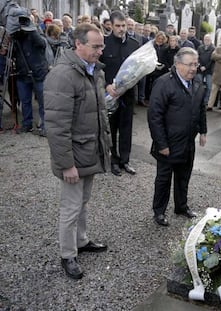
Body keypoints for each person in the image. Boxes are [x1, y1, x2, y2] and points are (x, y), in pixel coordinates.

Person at [44, 23, 111, 280]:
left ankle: (81, 241)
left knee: (83, 202)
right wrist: (66, 164)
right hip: (74, 156)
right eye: (95, 46)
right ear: (78, 44)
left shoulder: (93, 71)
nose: (100, 51)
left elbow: (94, 112)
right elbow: (57, 126)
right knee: (71, 208)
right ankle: (67, 254)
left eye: (102, 46)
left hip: (90, 151)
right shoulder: (63, 75)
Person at [148, 47, 207, 227]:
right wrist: (161, 144)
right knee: (164, 179)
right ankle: (159, 211)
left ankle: (181, 206)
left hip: (188, 141)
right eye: (190, 65)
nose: (193, 68)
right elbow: (154, 116)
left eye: (195, 64)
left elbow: (201, 108)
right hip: (168, 143)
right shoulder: (164, 83)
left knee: (184, 177)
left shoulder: (197, 83)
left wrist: (203, 131)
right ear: (178, 64)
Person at [100, 11, 140, 176]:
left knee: (126, 128)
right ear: (111, 25)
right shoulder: (104, 43)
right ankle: (114, 161)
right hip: (110, 94)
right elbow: (97, 67)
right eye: (118, 26)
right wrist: (106, 85)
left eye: (123, 25)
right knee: (112, 128)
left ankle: (125, 160)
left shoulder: (134, 44)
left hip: (128, 94)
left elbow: (138, 69)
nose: (121, 29)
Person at [13, 18, 48, 136]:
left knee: (43, 101)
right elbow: (12, 53)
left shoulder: (37, 33)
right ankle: (27, 124)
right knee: (25, 101)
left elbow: (42, 44)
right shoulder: (17, 37)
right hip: (22, 73)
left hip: (38, 73)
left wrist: (31, 30)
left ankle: (45, 126)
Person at [197, 34, 215, 106]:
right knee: (198, 85)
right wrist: (201, 66)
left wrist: (205, 67)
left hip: (209, 70)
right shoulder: (200, 47)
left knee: (209, 86)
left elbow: (212, 60)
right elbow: (197, 57)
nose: (206, 41)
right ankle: (199, 100)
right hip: (200, 69)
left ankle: (206, 101)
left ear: (211, 40)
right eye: (205, 39)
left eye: (208, 40)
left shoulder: (213, 49)